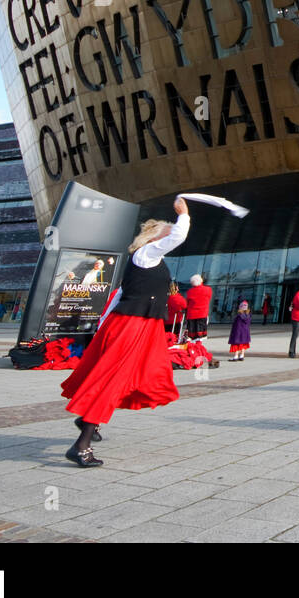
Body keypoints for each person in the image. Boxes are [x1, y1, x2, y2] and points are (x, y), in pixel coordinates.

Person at [61, 197, 190, 468]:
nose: (169, 237)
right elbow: (178, 236)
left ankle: (87, 422)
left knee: (137, 374)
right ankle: (81, 444)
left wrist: (103, 327)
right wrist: (183, 214)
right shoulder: (147, 253)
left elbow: (119, 295)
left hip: (138, 324)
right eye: (165, 233)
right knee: (114, 377)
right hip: (133, 325)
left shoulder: (149, 259)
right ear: (156, 237)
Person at [185, 274, 212, 342]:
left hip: (191, 314)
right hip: (202, 313)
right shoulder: (208, 289)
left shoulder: (190, 292)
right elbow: (209, 298)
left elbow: (187, 303)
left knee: (191, 335)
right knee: (201, 335)